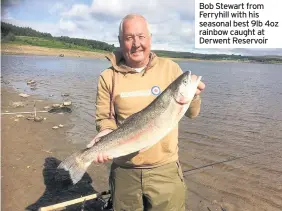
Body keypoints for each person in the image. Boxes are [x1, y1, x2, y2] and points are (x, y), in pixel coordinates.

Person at [87, 14, 206, 211]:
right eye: (129, 38)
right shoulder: (108, 77)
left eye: (141, 37)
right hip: (124, 172)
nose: (136, 44)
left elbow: (192, 114)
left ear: (150, 38)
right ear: (120, 41)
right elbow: (105, 119)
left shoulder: (171, 68)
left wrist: (193, 95)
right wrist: (103, 137)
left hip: (165, 170)